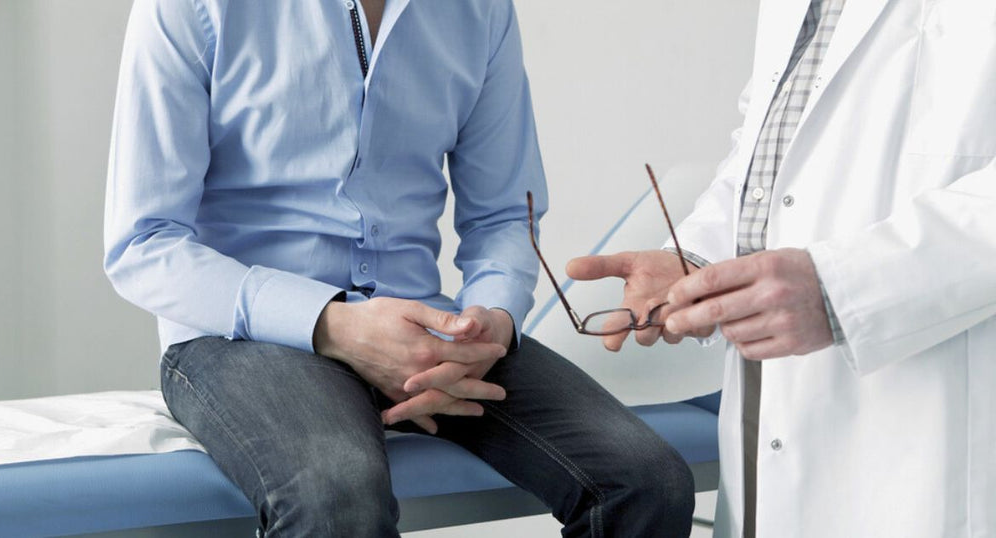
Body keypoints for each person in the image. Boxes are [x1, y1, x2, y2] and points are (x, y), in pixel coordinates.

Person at [103, 1, 695, 536]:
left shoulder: (480, 11)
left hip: (430, 327)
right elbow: (143, 242)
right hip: (242, 334)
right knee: (337, 496)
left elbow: (502, 216)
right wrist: (336, 326)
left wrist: (489, 321)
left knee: (646, 481)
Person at [566, 1, 996, 537]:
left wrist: (841, 290)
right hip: (770, 397)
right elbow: (766, 151)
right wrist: (700, 259)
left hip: (940, 407)